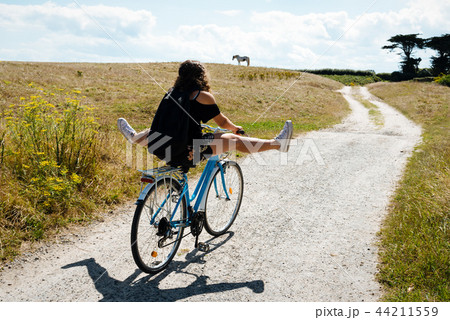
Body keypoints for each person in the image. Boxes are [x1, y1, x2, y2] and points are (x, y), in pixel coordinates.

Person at [118, 60, 293, 168]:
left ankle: (134, 137)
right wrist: (234, 128)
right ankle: (277, 144)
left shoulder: (172, 93)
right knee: (234, 140)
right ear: (202, 77)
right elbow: (222, 122)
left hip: (161, 148)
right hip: (188, 151)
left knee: (152, 131)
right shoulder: (202, 96)